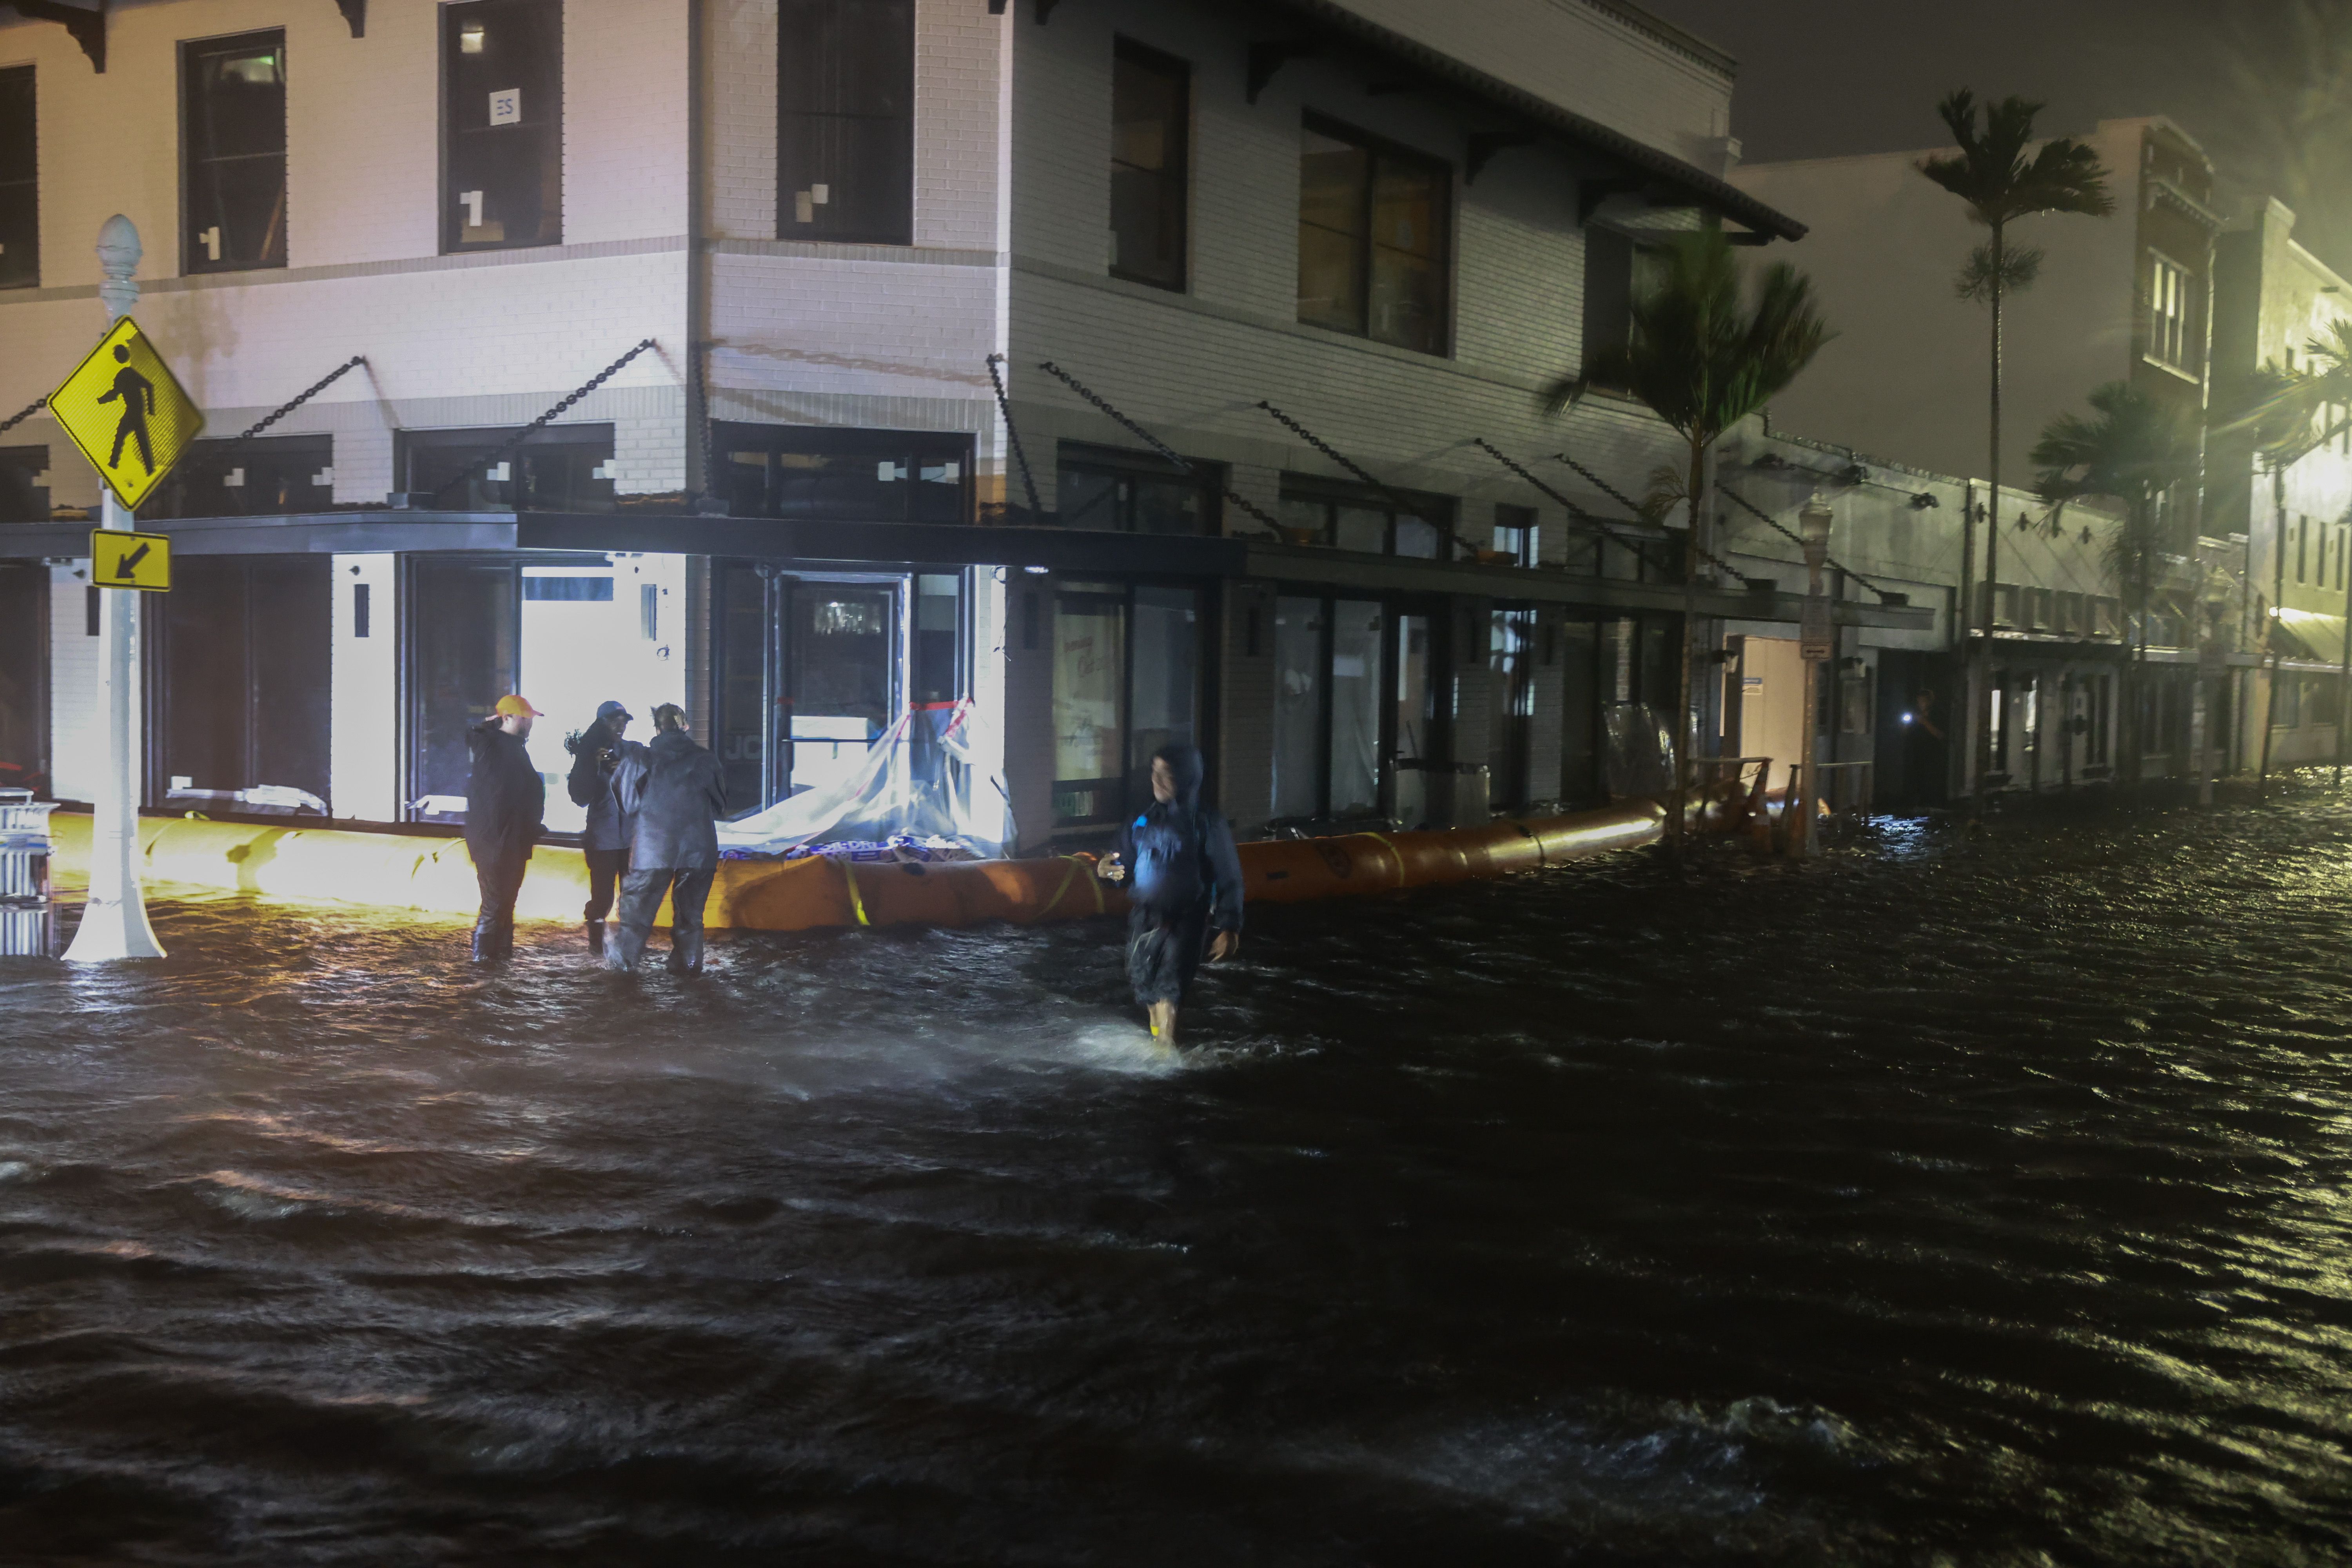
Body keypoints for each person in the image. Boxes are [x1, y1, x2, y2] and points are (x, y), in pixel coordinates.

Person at [1096, 743, 1244, 1046]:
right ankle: (1159, 1044)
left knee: (1169, 986)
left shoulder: (1205, 822)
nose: (1157, 781)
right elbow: (1120, 866)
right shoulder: (1141, 820)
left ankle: (1166, 1051)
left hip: (1187, 918)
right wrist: (1106, 872)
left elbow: (1229, 875)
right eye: (1155, 772)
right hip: (1145, 916)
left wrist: (1229, 926)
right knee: (1145, 985)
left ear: (1186, 778)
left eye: (1167, 774)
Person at [606, 703, 728, 975]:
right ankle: (689, 971)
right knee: (691, 919)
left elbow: (627, 804)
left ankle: (622, 975)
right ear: (685, 726)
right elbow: (721, 804)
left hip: (653, 850)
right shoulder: (706, 759)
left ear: (658, 729)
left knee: (635, 922)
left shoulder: (640, 758)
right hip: (699, 851)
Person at [465, 694, 546, 964]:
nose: (530, 724)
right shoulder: (492, 745)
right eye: (526, 718)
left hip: (512, 840)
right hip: (495, 842)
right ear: (508, 718)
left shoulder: (513, 747)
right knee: (495, 904)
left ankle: (499, 961)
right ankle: (484, 962)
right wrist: (488, 726)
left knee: (506, 903)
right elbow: (500, 797)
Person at [566, 700, 646, 957]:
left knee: (632, 898)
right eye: (615, 721)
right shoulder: (591, 754)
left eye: (624, 721)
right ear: (602, 724)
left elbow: (647, 781)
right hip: (603, 840)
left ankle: (629, 948)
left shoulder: (634, 751)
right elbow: (579, 797)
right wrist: (591, 763)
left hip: (630, 839)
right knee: (603, 899)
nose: (621, 726)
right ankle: (596, 947)